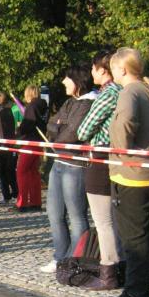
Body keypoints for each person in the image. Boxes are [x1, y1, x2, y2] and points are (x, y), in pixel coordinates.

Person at [103, 48, 149, 297]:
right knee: (143, 232)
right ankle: (143, 286)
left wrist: (123, 152)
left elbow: (124, 124)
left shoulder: (130, 92)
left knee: (133, 237)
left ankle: (135, 292)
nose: (112, 72)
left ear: (121, 69)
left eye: (113, 67)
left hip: (131, 174)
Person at [41, 65, 97, 273]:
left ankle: (76, 260)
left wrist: (59, 129)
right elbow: (51, 124)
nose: (64, 82)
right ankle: (60, 257)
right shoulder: (70, 101)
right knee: (54, 213)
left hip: (76, 165)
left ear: (78, 81)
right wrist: (59, 127)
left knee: (76, 215)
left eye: (67, 78)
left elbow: (73, 133)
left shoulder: (88, 103)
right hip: (59, 161)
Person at [77, 50, 124, 290]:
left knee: (103, 220)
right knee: (114, 218)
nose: (91, 73)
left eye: (94, 68)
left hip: (101, 157)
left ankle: (109, 270)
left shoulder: (108, 94)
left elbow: (83, 130)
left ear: (103, 70)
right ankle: (119, 266)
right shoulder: (123, 91)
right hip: (116, 157)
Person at [14, 85, 48, 212]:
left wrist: (18, 131)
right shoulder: (44, 106)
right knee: (33, 172)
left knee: (21, 171)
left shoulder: (32, 107)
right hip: (38, 142)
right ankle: (35, 202)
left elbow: (28, 124)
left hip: (30, 141)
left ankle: (22, 203)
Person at [0, 92, 18, 206]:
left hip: (1, 145)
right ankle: (16, 193)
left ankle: (6, 195)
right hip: (10, 144)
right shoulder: (9, 112)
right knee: (11, 171)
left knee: (2, 172)